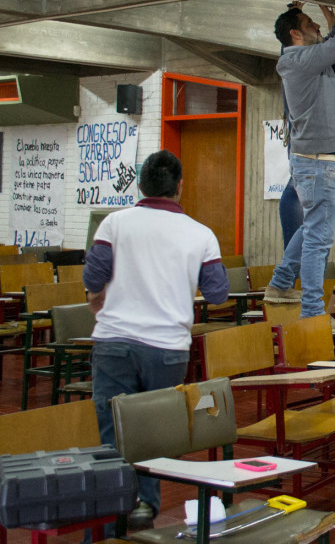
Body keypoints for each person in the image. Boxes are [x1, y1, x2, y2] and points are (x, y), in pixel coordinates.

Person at [84, 150, 230, 529]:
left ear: (140, 184)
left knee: (112, 433)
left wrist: (96, 297)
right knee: (152, 435)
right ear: (180, 187)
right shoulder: (201, 233)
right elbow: (217, 294)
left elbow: (93, 276)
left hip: (114, 343)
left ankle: (109, 516)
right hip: (167, 350)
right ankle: (143, 509)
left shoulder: (114, 223)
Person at [266, 0, 335, 331]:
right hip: (318, 163)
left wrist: (316, 16)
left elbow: (334, 48)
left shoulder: (302, 61)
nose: (316, 29)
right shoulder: (300, 61)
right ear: (295, 36)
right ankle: (311, 314)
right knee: (319, 240)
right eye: (309, 26)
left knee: (312, 230)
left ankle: (279, 283)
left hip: (316, 161)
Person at [279, 2, 335, 250]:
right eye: (308, 24)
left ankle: (288, 276)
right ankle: (286, 277)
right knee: (315, 231)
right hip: (309, 153)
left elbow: (334, 55)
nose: (314, 27)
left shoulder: (322, 69)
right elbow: (290, 50)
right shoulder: (296, 68)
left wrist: (332, 26)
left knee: (318, 234)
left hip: (317, 154)